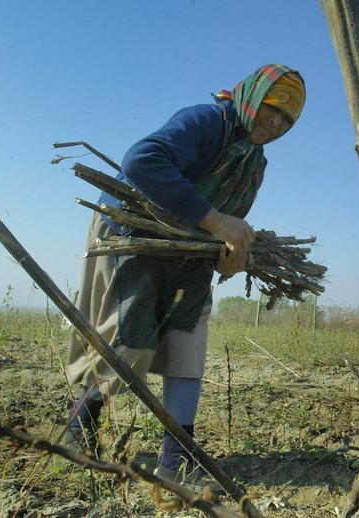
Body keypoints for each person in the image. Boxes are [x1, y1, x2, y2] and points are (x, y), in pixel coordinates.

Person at [63, 64, 306, 490]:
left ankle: (176, 461)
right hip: (136, 234)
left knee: (187, 343)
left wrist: (226, 258)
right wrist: (215, 221)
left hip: (189, 249)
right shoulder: (207, 121)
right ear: (252, 97)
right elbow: (141, 160)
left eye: (289, 118)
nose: (277, 122)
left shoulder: (254, 162)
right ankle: (78, 433)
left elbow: (228, 227)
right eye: (273, 107)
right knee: (127, 337)